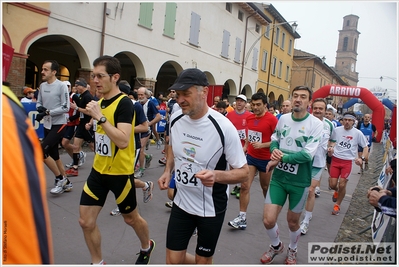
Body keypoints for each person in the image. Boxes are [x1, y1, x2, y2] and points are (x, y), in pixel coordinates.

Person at [158, 68, 249, 264]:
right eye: (178, 94)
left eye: (186, 94)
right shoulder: (176, 118)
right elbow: (173, 145)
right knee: (173, 260)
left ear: (204, 92)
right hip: (182, 202)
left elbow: (243, 172)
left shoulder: (224, 127)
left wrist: (216, 176)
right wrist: (168, 170)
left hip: (210, 207)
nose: (180, 99)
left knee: (203, 260)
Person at [79, 55, 154, 265]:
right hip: (98, 172)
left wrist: (100, 117)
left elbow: (122, 141)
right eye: (94, 76)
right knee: (85, 221)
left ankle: (146, 246)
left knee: (131, 219)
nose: (95, 80)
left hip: (120, 174)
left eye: (100, 76)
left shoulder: (124, 104)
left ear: (115, 77)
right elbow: (104, 135)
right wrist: (93, 123)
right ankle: (98, 262)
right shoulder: (100, 102)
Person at [260, 86, 323, 264]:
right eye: (295, 96)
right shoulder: (283, 119)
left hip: (299, 182)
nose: (298, 99)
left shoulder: (316, 124)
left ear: (309, 102)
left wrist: (281, 158)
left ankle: (293, 249)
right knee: (268, 220)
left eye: (303, 97)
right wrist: (274, 152)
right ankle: (276, 245)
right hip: (279, 179)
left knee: (292, 222)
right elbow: (275, 139)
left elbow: (306, 155)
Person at [2, 83, 54, 264]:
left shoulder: (6, 114)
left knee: (47, 151)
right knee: (86, 221)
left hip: (58, 123)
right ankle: (63, 177)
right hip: (45, 126)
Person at [228, 92, 278, 230]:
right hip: (251, 157)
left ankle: (269, 210)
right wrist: (245, 146)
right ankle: (242, 217)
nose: (255, 107)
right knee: (244, 186)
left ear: (265, 105)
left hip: (266, 159)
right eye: (253, 104)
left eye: (258, 105)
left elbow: (278, 140)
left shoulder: (272, 120)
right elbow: (250, 135)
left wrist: (263, 145)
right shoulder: (249, 118)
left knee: (265, 187)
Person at [109, 83, 154, 216]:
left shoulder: (135, 106)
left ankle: (123, 205)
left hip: (131, 147)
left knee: (123, 178)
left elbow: (145, 127)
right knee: (117, 177)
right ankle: (145, 185)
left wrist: (126, 130)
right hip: (115, 147)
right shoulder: (110, 105)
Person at [36, 59, 72, 194]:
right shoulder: (43, 86)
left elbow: (65, 107)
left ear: (54, 72)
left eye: (45, 69)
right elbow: (39, 102)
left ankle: (59, 179)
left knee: (41, 152)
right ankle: (67, 182)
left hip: (59, 123)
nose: (42, 72)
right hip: (47, 124)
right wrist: (40, 109)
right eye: (42, 69)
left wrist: (48, 112)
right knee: (54, 155)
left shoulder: (61, 86)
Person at [299, 98, 333, 235]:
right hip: (303, 161)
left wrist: (331, 148)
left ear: (325, 111)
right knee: (301, 190)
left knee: (311, 190)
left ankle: (306, 220)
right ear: (312, 108)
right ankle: (298, 213)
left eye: (321, 108)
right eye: (316, 108)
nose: (318, 110)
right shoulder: (304, 121)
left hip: (318, 163)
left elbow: (333, 141)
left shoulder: (329, 125)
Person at [328, 111, 368, 216]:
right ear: (342, 120)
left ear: (354, 122)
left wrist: (362, 158)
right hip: (336, 160)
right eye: (345, 120)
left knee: (342, 184)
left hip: (347, 162)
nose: (347, 122)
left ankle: (337, 204)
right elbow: (331, 141)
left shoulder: (357, 133)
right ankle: (336, 191)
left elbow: (365, 147)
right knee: (332, 185)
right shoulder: (336, 130)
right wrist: (331, 147)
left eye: (350, 120)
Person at [65, 78, 95, 177]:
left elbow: (89, 111)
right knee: (76, 145)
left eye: (77, 86)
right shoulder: (81, 96)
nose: (76, 88)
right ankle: (74, 167)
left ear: (83, 86)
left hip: (87, 124)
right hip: (81, 124)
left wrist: (76, 108)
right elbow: (80, 111)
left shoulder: (88, 96)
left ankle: (104, 162)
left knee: (92, 146)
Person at [226, 94, 252, 198]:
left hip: (243, 146)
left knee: (241, 168)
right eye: (238, 101)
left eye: (242, 101)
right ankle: (237, 185)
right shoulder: (230, 115)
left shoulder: (249, 116)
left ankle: (241, 187)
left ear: (245, 104)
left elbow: (251, 132)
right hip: (232, 146)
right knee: (232, 168)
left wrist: (246, 146)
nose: (239, 103)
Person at [136, 87, 162, 178]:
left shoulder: (150, 103)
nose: (140, 96)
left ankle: (141, 170)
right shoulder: (136, 103)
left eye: (141, 95)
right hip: (137, 129)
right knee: (137, 149)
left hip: (147, 130)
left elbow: (158, 117)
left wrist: (149, 124)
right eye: (138, 95)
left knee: (141, 148)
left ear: (146, 95)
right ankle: (147, 157)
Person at [61, 80, 81, 168]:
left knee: (65, 142)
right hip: (63, 123)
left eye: (67, 87)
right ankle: (75, 158)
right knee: (63, 143)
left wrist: (71, 118)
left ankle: (77, 154)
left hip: (72, 123)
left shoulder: (74, 96)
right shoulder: (61, 96)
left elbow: (79, 110)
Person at [159, 89, 178, 165]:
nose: (171, 93)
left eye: (173, 92)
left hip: (176, 124)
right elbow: (168, 112)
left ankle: (172, 157)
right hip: (169, 122)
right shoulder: (170, 101)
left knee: (172, 141)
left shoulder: (177, 102)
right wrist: (166, 117)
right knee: (167, 139)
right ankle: (166, 157)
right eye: (171, 91)